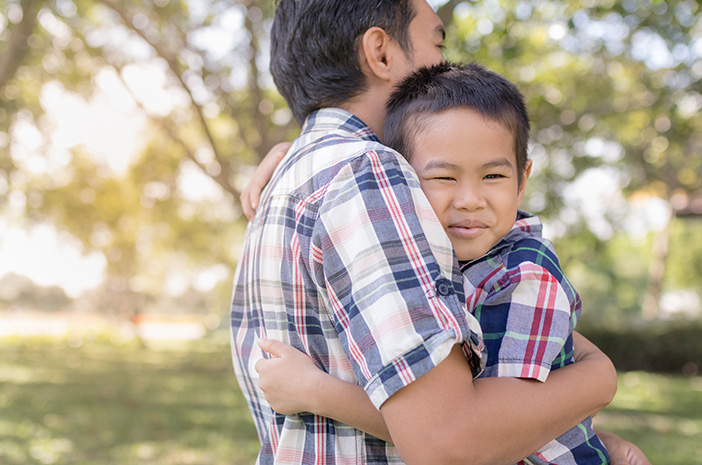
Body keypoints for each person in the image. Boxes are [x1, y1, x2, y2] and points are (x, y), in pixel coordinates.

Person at [231, 1, 648, 464]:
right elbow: (449, 442)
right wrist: (599, 377)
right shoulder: (367, 175)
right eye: (437, 42)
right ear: (381, 54)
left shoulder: (292, 177)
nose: (443, 67)